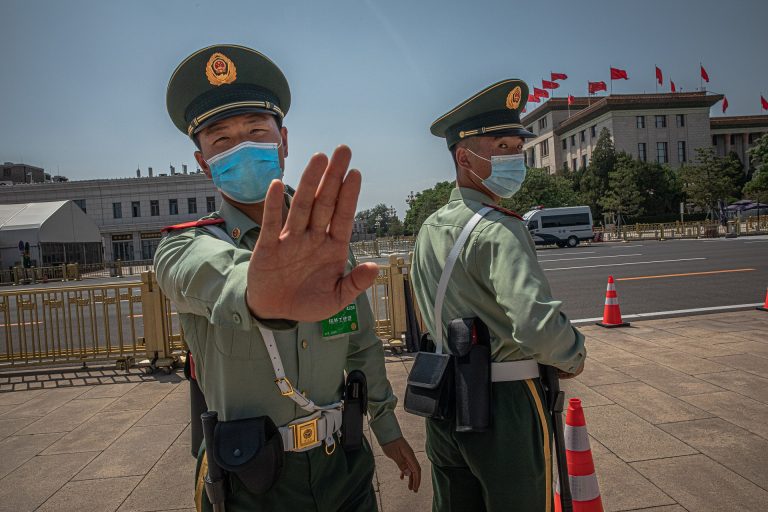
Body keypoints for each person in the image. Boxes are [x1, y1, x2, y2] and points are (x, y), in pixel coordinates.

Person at [155, 44, 420, 512]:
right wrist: (260, 291)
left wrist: (387, 428)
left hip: (344, 465)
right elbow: (212, 275)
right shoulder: (184, 246)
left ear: (283, 142)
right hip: (252, 480)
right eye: (221, 141)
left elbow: (360, 344)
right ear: (202, 161)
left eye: (256, 132)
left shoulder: (326, 244)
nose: (241, 148)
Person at [410, 79, 586, 512]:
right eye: (501, 146)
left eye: (516, 147)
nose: (513, 157)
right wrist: (574, 354)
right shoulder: (500, 228)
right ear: (464, 157)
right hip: (504, 404)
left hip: (444, 398)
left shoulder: (429, 228)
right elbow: (535, 325)